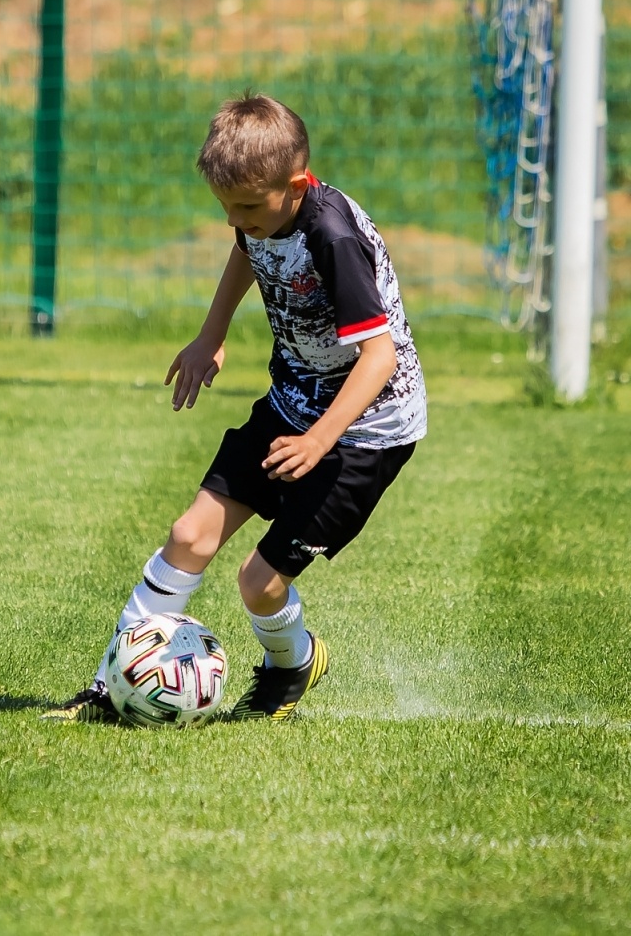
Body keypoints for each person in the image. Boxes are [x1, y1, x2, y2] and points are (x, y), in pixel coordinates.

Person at [44, 93, 427, 723]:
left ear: (296, 185)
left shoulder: (332, 238)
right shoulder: (263, 216)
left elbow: (380, 356)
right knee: (188, 535)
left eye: (246, 207)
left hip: (365, 431)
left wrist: (320, 441)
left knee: (259, 583)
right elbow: (248, 251)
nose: (235, 220)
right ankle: (112, 687)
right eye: (225, 207)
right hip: (293, 404)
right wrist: (211, 334)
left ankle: (292, 666)